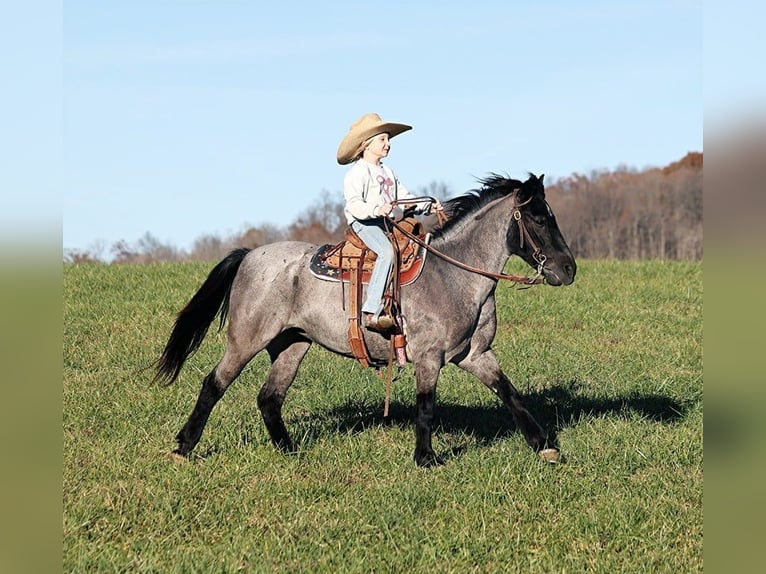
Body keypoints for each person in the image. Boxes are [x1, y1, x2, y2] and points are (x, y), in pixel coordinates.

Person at [336, 113, 440, 332]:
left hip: (387, 224)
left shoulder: (388, 172)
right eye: (382, 139)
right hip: (365, 224)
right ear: (366, 144)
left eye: (388, 139)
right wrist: (376, 209)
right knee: (387, 252)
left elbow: (405, 198)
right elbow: (354, 205)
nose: (388, 144)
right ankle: (371, 311)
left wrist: (427, 205)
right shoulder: (357, 173)